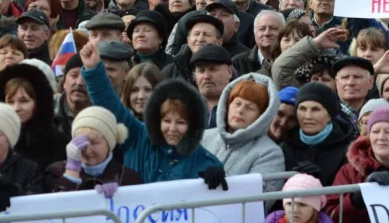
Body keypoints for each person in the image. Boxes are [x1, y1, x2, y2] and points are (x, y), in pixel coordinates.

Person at [80, 39, 224, 184]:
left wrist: (215, 175)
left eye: (180, 122)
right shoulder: (137, 136)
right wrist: (93, 70)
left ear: (193, 126)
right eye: (166, 121)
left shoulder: (203, 160)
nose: (172, 128)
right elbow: (109, 105)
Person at [201, 74, 287, 191]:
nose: (240, 110)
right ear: (227, 105)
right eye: (237, 103)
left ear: (261, 116)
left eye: (250, 108)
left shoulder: (270, 153)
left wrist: (224, 179)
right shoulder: (203, 138)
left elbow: (261, 196)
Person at [47, 106, 143, 195]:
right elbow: (54, 204)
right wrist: (71, 173)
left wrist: (119, 196)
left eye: (94, 142)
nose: (87, 151)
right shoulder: (55, 171)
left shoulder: (128, 177)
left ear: (109, 144)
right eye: (80, 141)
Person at [0, 63, 68, 169]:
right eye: (10, 102)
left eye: (24, 101)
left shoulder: (58, 142)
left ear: (37, 103)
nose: (16, 108)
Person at [280, 82, 357, 185]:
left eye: (315, 109)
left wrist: (321, 181)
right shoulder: (284, 147)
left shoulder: (348, 150)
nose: (308, 116)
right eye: (302, 109)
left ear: (330, 115)